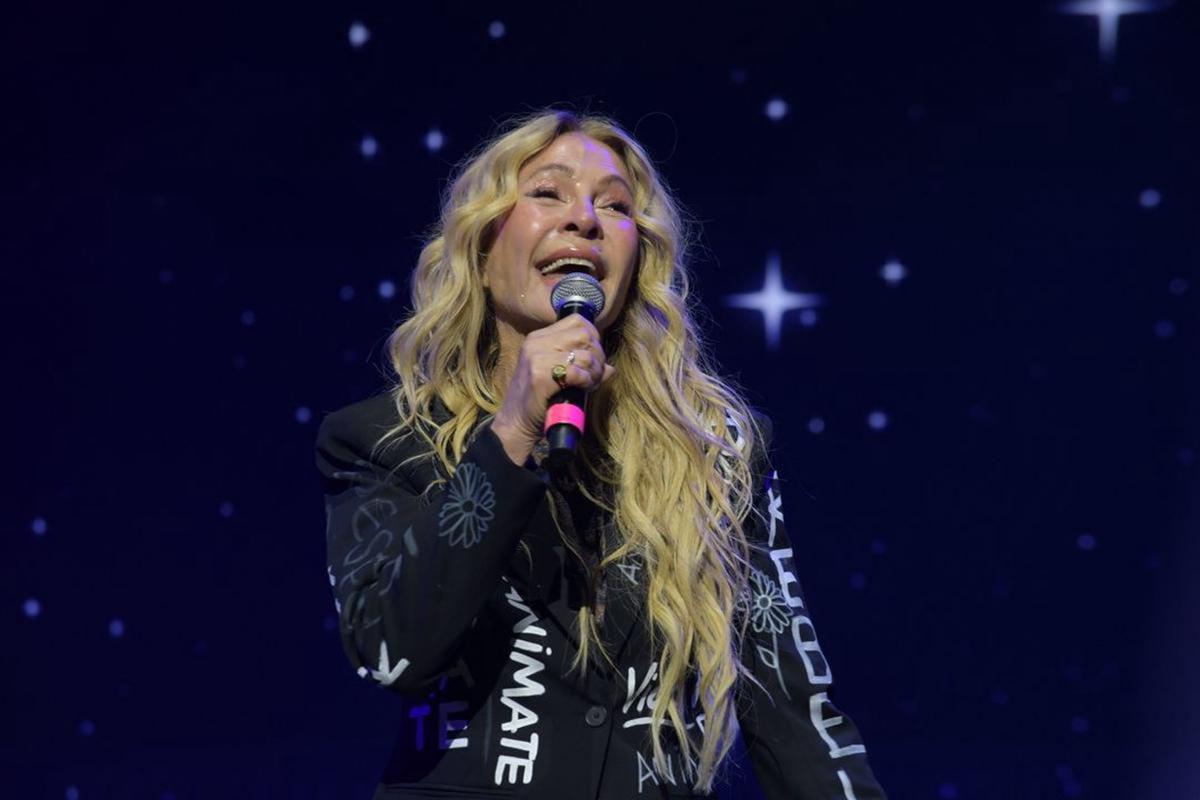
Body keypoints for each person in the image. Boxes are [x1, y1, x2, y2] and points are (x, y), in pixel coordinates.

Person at [315, 108, 887, 799]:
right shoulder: (385, 439)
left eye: (614, 206)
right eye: (547, 193)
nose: (584, 219)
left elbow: (795, 712)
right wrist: (512, 433)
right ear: (483, 249)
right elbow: (394, 651)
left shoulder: (718, 450)